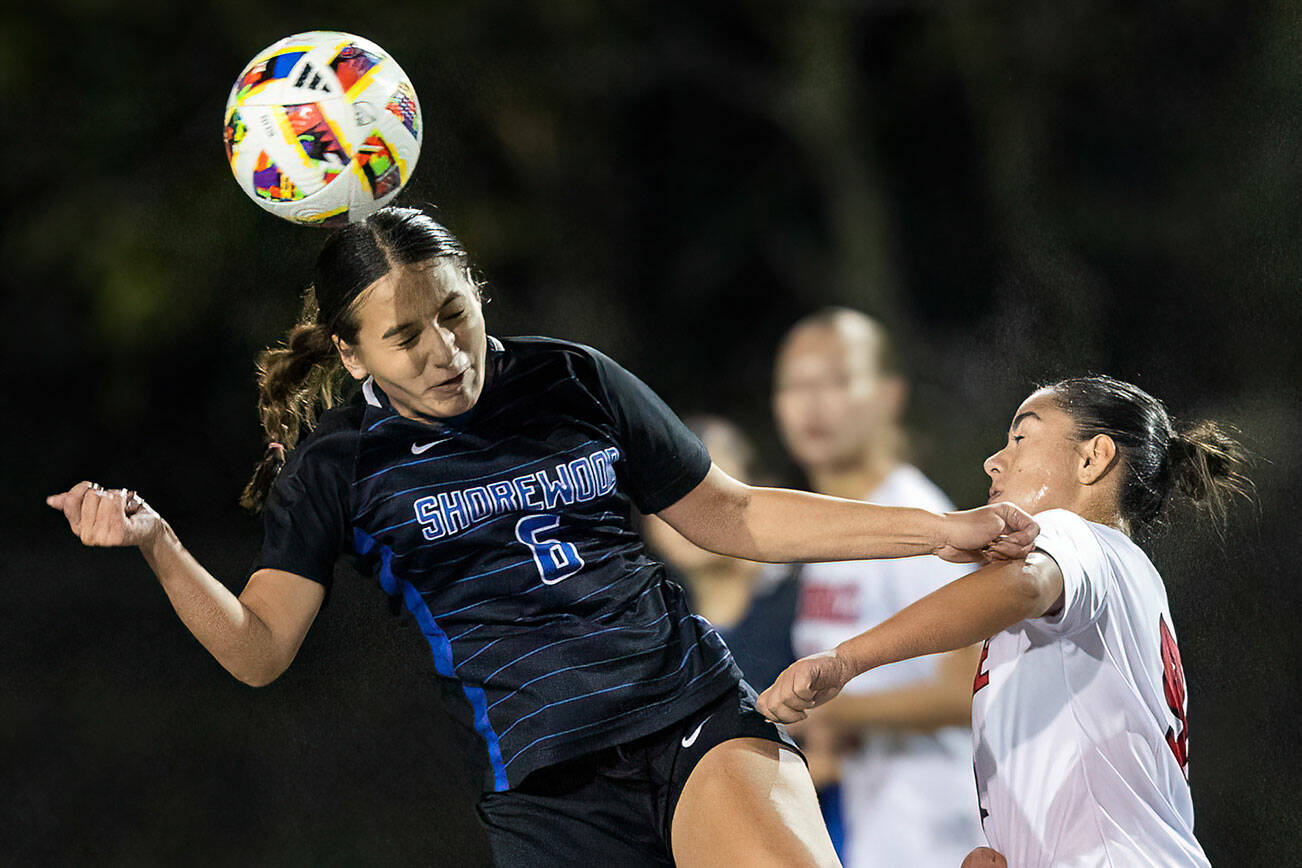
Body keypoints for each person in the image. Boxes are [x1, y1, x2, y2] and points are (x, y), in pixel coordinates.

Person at [46, 207, 1038, 868]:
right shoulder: (338, 463)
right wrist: (159, 542)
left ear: (475, 290)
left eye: (455, 313)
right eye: (406, 337)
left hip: (689, 715)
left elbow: (731, 514)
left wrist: (939, 526)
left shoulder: (572, 380)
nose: (443, 351)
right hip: (547, 784)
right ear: (352, 353)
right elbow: (261, 651)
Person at [759, 376, 1249, 867]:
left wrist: (846, 659)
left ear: (1092, 458)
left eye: (1021, 438)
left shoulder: (1076, 533)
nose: (995, 460)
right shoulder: (1125, 572)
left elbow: (1026, 584)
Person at [773, 308, 986, 867]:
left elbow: (967, 686)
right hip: (870, 823)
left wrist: (833, 714)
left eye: (838, 381)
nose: (812, 404)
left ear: (890, 395)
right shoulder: (830, 534)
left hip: (937, 827)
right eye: (796, 386)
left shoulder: (918, 521)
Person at [642, 415, 800, 694]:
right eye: (666, 495)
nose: (685, 514)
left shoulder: (812, 595)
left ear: (763, 491)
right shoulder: (647, 620)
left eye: (706, 492)